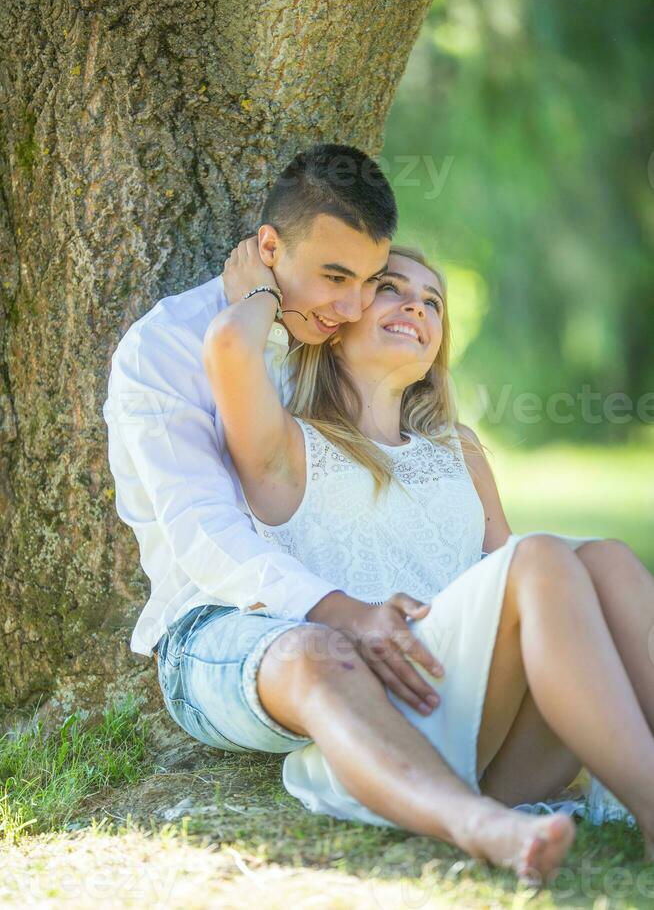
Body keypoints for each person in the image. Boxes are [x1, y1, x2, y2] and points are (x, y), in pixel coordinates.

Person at [101, 143, 654, 885]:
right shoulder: (220, 382)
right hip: (232, 618)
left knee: (603, 560)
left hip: (431, 662)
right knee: (335, 641)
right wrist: (256, 299)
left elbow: (510, 576)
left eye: (381, 285)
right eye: (346, 282)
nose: (359, 305)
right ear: (269, 253)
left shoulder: (447, 443)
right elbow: (209, 536)